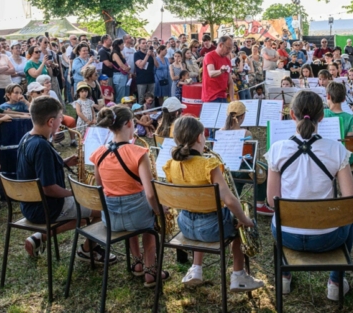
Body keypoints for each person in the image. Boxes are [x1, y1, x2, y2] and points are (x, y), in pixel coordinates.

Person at [265, 90, 353, 299]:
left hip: (286, 235)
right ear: (322, 117)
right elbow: (350, 201)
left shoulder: (277, 148)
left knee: (277, 217)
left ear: (292, 115)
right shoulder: (336, 149)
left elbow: (272, 201)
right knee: (350, 220)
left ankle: (285, 277)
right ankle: (335, 280)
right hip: (328, 237)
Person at [162, 115, 264, 292]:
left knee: (199, 207)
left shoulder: (171, 164)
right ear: (200, 137)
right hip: (212, 228)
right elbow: (230, 200)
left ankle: (196, 269)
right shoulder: (208, 164)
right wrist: (244, 220)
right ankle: (239, 275)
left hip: (185, 226)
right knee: (239, 223)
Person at [17, 96, 113, 263]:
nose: (62, 121)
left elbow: (35, 169)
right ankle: (87, 250)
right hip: (48, 207)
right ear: (51, 121)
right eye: (60, 117)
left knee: (84, 218)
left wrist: (64, 162)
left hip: (29, 205)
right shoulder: (42, 147)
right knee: (104, 208)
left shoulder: (27, 138)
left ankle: (41, 237)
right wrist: (76, 193)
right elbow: (49, 188)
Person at [91, 106, 170, 286]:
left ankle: (137, 262)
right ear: (129, 123)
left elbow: (99, 188)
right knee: (150, 218)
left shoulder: (98, 153)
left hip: (111, 220)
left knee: (132, 206)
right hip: (138, 218)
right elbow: (150, 194)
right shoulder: (139, 152)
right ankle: (151, 270)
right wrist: (159, 211)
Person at [221, 101, 273, 216]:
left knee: (240, 172)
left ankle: (233, 202)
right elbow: (250, 157)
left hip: (225, 168)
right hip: (242, 168)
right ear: (243, 116)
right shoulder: (246, 133)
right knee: (265, 169)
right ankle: (259, 204)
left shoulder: (220, 131)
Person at [202, 36, 235, 103]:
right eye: (228, 48)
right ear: (220, 45)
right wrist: (221, 71)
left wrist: (232, 99)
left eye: (230, 49)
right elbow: (211, 73)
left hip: (223, 96)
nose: (229, 52)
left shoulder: (227, 60)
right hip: (211, 97)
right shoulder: (209, 56)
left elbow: (230, 82)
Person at [135, 38, 157, 104]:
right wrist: (147, 55)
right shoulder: (137, 54)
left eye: (145, 43)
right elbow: (141, 66)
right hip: (141, 80)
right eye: (143, 43)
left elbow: (157, 65)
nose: (145, 44)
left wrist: (153, 56)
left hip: (151, 79)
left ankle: (151, 112)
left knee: (151, 98)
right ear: (139, 45)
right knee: (141, 98)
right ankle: (140, 112)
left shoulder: (151, 54)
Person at [111, 38, 131, 103]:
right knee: (120, 96)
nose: (123, 46)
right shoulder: (114, 53)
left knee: (126, 95)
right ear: (118, 45)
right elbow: (122, 65)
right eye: (122, 44)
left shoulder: (120, 53)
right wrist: (128, 68)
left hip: (124, 75)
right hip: (119, 76)